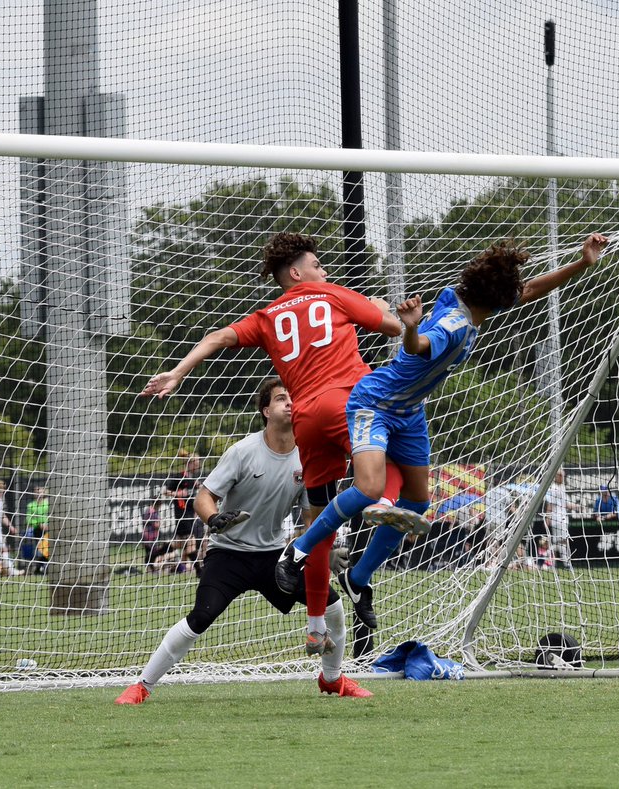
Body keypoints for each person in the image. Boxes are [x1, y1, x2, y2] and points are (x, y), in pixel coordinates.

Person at [275, 233, 609, 628]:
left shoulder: (461, 301)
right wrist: (411, 327)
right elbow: (417, 347)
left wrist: (581, 264)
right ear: (501, 299)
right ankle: (297, 551)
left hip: (409, 412)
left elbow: (531, 289)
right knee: (366, 488)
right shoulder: (454, 325)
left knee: (418, 502)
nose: (521, 293)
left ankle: (358, 576)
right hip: (376, 403)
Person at [140, 232, 403, 653]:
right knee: (401, 457)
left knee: (321, 525)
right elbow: (393, 327)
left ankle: (315, 625)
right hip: (346, 405)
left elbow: (217, 338)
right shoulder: (331, 293)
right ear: (297, 272)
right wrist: (381, 307)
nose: (324, 271)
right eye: (317, 265)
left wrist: (178, 372)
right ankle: (383, 509)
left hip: (307, 422)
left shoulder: (266, 316)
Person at [115, 378, 371, 704]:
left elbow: (312, 520)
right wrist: (214, 519)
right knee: (200, 618)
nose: (290, 403)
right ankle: (142, 686)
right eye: (281, 399)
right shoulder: (242, 451)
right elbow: (203, 497)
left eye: (294, 398)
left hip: (275, 557)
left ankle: (332, 680)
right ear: (266, 410)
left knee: (333, 606)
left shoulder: (309, 457)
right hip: (228, 555)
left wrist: (325, 551)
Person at [164, 450, 203, 572]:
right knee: (190, 542)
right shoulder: (179, 477)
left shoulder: (193, 480)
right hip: (182, 515)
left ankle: (154, 555)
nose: (198, 464)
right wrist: (178, 493)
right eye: (196, 462)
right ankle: (199, 570)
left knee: (178, 544)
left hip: (190, 515)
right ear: (190, 463)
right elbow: (164, 491)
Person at [543, 470, 574, 569]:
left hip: (563, 518)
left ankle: (552, 563)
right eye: (560, 475)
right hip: (557, 519)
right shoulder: (553, 488)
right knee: (561, 541)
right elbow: (550, 505)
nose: (562, 477)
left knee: (560, 541)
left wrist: (578, 507)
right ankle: (564, 563)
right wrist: (547, 518)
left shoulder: (562, 487)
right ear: (556, 476)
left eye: (563, 476)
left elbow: (566, 504)